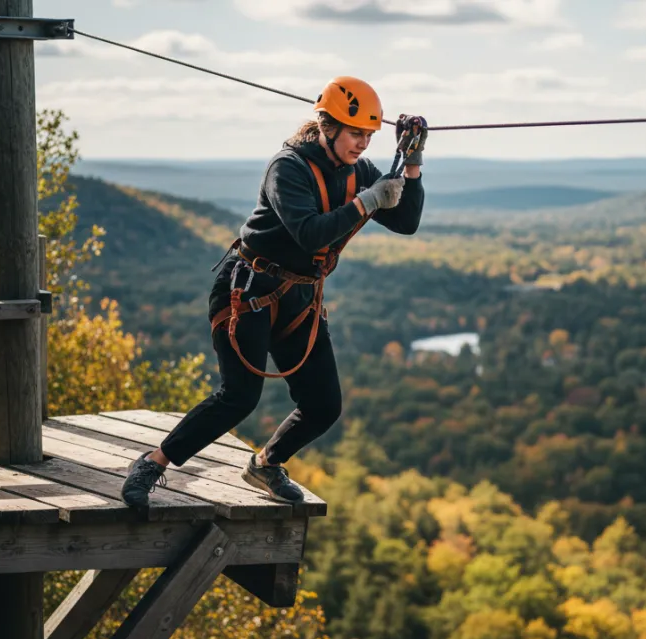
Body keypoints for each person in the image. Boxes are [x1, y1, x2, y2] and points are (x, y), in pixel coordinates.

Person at [119, 76, 427, 506]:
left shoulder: (360, 173)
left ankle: (265, 464)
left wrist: (411, 164)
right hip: (247, 289)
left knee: (323, 404)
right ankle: (152, 463)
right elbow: (308, 234)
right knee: (239, 397)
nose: (362, 144)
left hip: (300, 298)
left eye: (369, 136)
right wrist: (368, 202)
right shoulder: (289, 167)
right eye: (355, 133)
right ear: (328, 126)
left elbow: (406, 221)